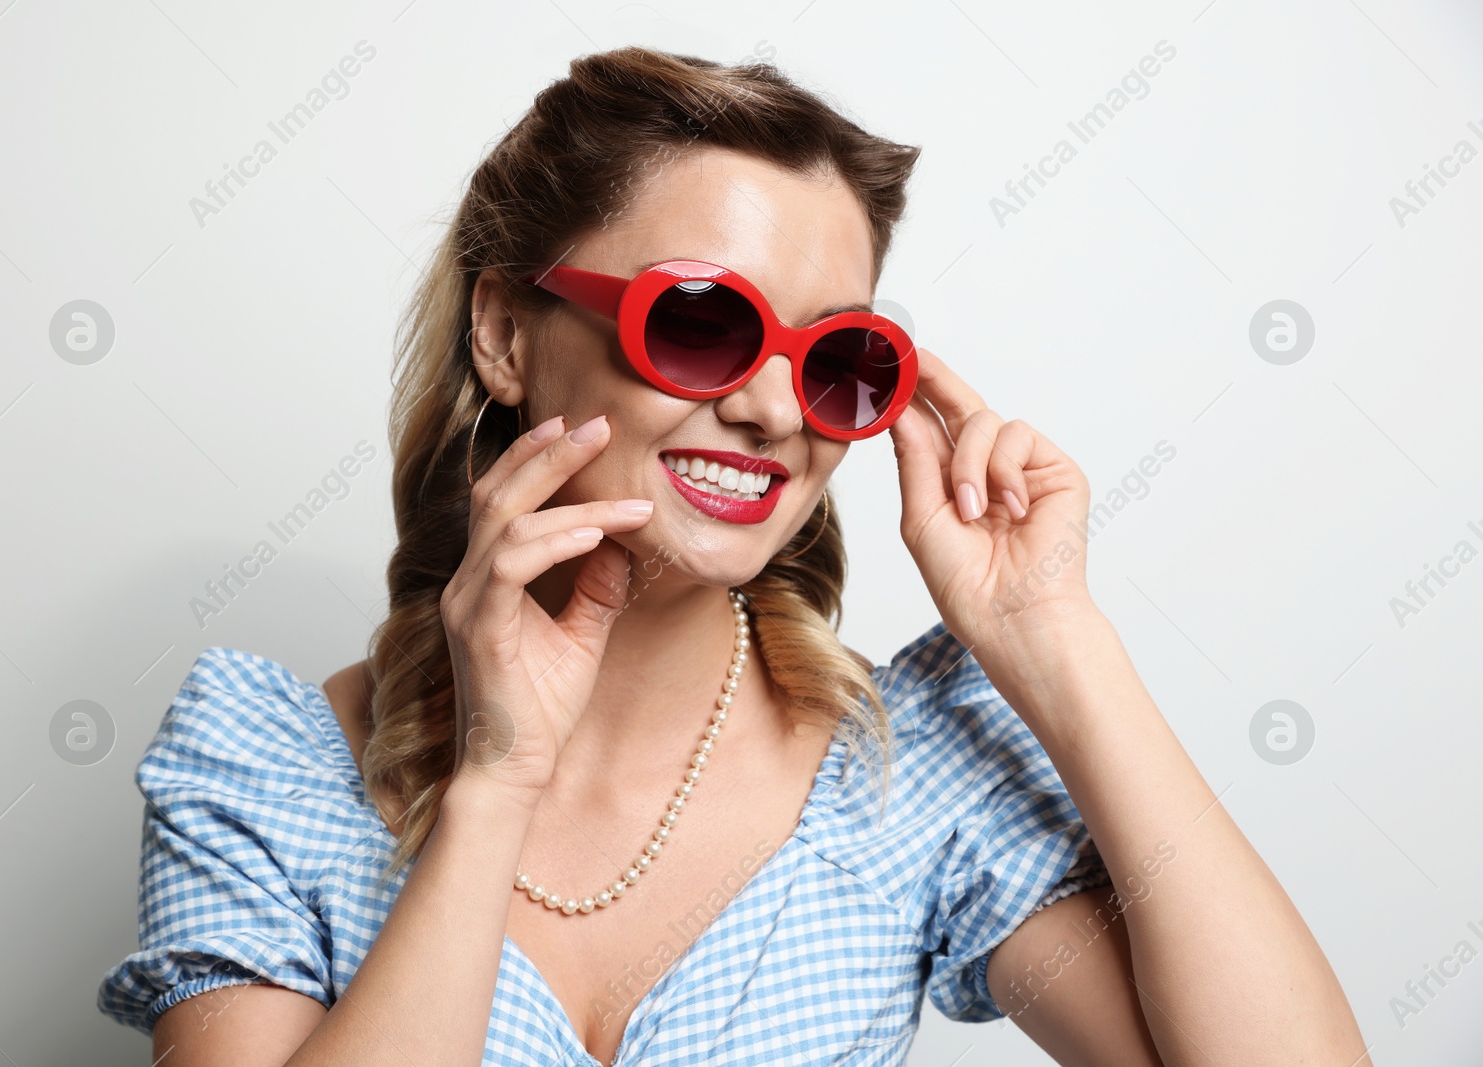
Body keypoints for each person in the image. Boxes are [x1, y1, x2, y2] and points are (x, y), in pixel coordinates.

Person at [97, 46, 1369, 1067]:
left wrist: (1054, 639)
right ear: (503, 330)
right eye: (700, 323)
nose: (772, 408)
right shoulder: (266, 767)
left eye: (836, 360)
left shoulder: (904, 770)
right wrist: (494, 781)